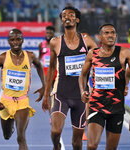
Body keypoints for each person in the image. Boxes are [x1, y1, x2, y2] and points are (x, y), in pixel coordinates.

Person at [79, 23, 130, 150]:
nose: (110, 35)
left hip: (116, 109)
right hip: (96, 106)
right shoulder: (92, 54)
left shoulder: (124, 53)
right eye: (106, 33)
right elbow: (82, 75)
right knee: (91, 146)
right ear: (100, 37)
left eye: (113, 33)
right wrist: (83, 91)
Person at [42, 6, 97, 150]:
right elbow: (52, 69)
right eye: (64, 15)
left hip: (81, 96)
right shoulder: (56, 42)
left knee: (76, 143)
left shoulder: (86, 40)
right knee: (55, 131)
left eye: (71, 15)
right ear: (61, 20)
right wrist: (46, 94)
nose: (67, 17)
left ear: (77, 20)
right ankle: (56, 146)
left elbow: (99, 60)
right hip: (61, 93)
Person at [0, 29, 45, 150]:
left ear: (22, 40)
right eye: (12, 40)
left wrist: (44, 86)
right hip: (5, 102)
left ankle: (18, 127)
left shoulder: (30, 56)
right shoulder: (2, 58)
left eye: (18, 39)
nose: (15, 42)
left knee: (21, 137)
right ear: (8, 41)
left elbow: (39, 66)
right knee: (7, 135)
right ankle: (11, 126)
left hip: (22, 102)